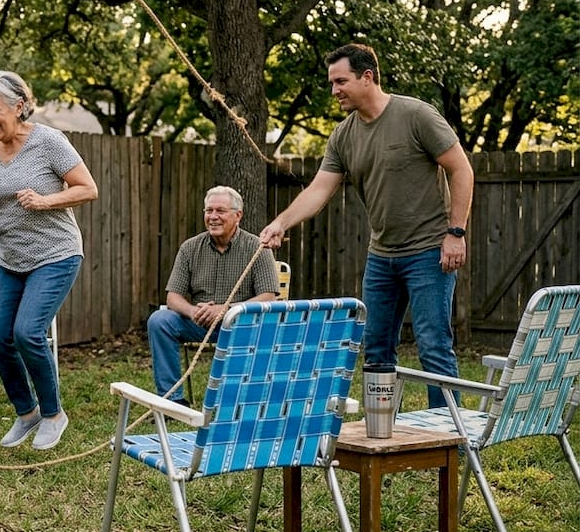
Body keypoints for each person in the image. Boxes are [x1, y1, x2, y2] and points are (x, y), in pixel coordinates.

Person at [259, 43, 474, 408]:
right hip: (382, 257)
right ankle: (381, 432)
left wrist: (455, 233)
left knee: (433, 345)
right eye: (331, 83)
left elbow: (461, 169)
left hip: (428, 253)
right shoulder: (343, 135)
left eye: (341, 81)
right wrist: (281, 221)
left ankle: (448, 438)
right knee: (375, 348)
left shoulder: (416, 115)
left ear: (367, 77)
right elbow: (319, 190)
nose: (334, 90)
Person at [0, 71, 98, 451]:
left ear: (19, 106)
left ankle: (53, 414)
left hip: (55, 254)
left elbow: (87, 189)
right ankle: (26, 413)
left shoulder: (48, 142)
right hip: (10, 258)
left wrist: (46, 201)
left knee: (27, 332)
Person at [147, 186, 279, 404]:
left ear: (238, 216)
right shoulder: (189, 248)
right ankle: (171, 399)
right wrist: (192, 311)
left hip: (242, 325)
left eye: (220, 211)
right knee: (159, 320)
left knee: (262, 327)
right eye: (209, 211)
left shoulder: (258, 248)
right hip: (200, 321)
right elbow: (173, 297)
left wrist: (225, 310)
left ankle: (243, 398)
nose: (213, 217)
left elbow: (268, 297)